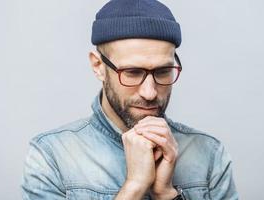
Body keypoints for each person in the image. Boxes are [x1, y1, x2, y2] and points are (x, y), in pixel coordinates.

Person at [21, 0, 238, 199]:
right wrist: (134, 187)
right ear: (99, 67)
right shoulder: (52, 156)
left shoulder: (209, 154)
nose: (150, 92)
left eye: (163, 71)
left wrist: (166, 194)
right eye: (132, 72)